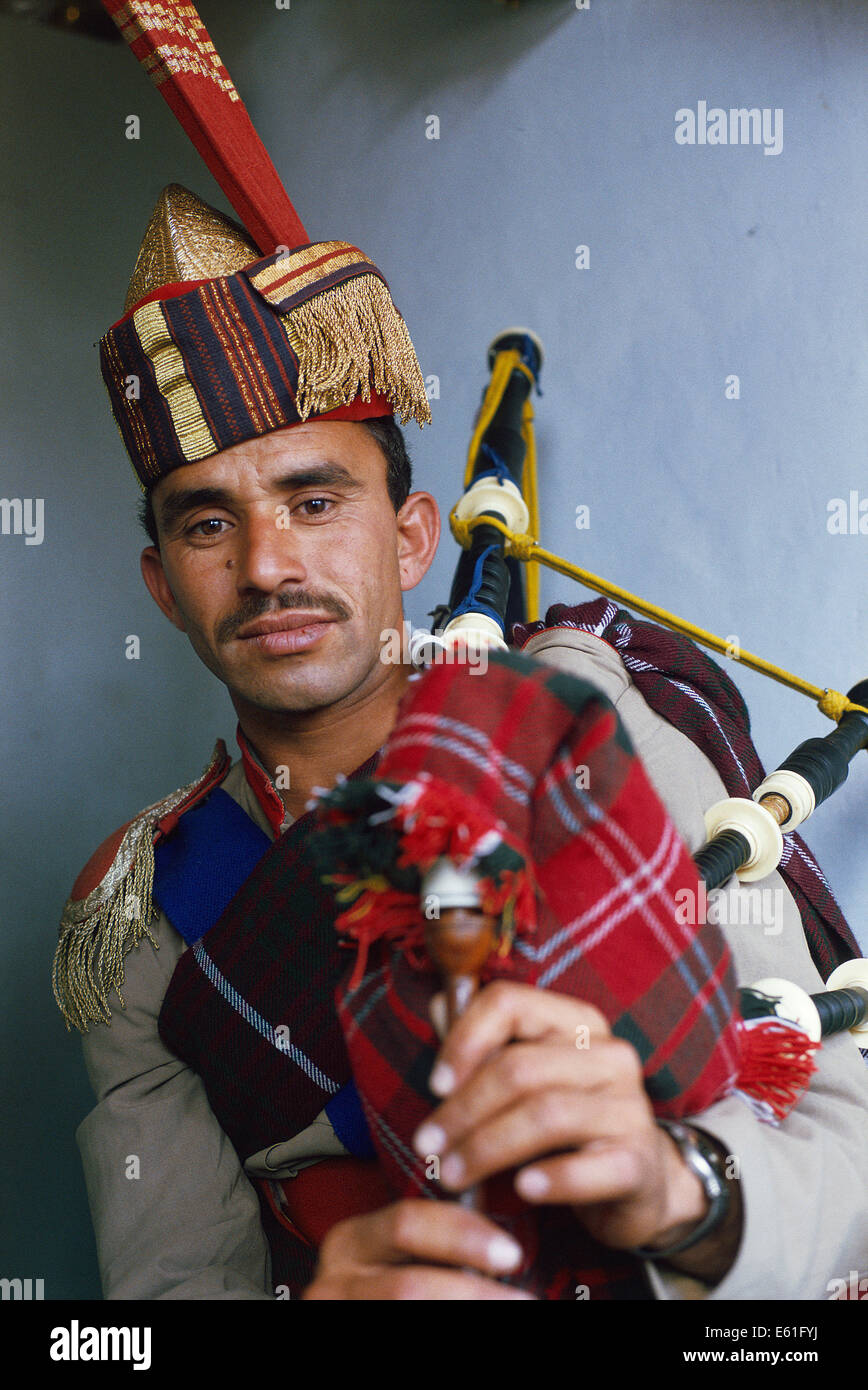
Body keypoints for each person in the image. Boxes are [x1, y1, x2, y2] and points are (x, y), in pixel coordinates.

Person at [54, 0, 868, 1302]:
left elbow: (848, 1124)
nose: (268, 564)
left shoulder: (593, 720)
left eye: (316, 500)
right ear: (161, 581)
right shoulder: (143, 920)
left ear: (415, 535)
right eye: (209, 523)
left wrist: (685, 1192)